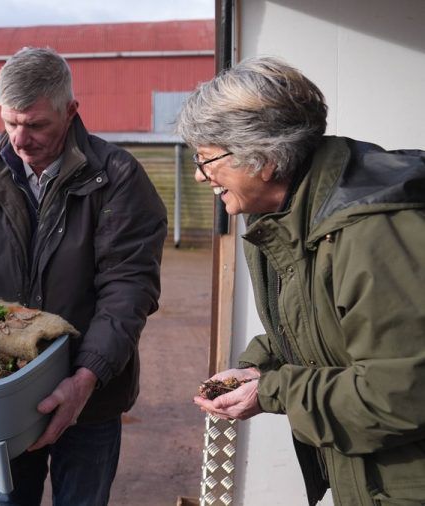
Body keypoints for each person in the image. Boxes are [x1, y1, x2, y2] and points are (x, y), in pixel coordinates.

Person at [179, 57, 425, 505]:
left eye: (208, 157)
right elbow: (324, 322)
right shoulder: (288, 217)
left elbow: (399, 394)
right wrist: (261, 365)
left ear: (266, 160)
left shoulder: (371, 231)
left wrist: (273, 390)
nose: (200, 174)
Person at [0, 47, 168, 505]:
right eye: (10, 123)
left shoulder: (117, 177)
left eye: (36, 124)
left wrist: (86, 376)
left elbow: (127, 289)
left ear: (71, 111)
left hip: (90, 397)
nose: (20, 140)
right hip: (4, 396)